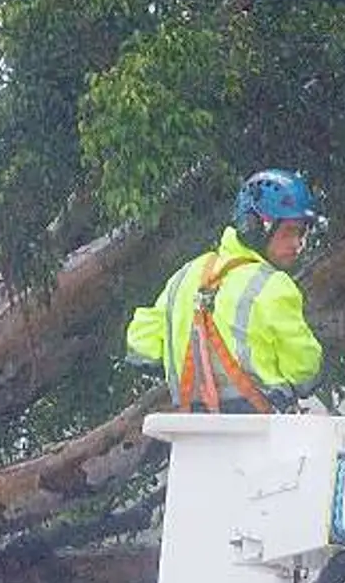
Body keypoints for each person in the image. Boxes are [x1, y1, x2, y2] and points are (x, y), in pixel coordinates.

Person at [127, 169, 325, 413]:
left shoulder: (186, 274)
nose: (297, 244)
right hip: (261, 436)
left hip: (192, 433)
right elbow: (304, 371)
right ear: (254, 227)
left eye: (301, 233)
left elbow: (141, 345)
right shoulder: (274, 285)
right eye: (288, 232)